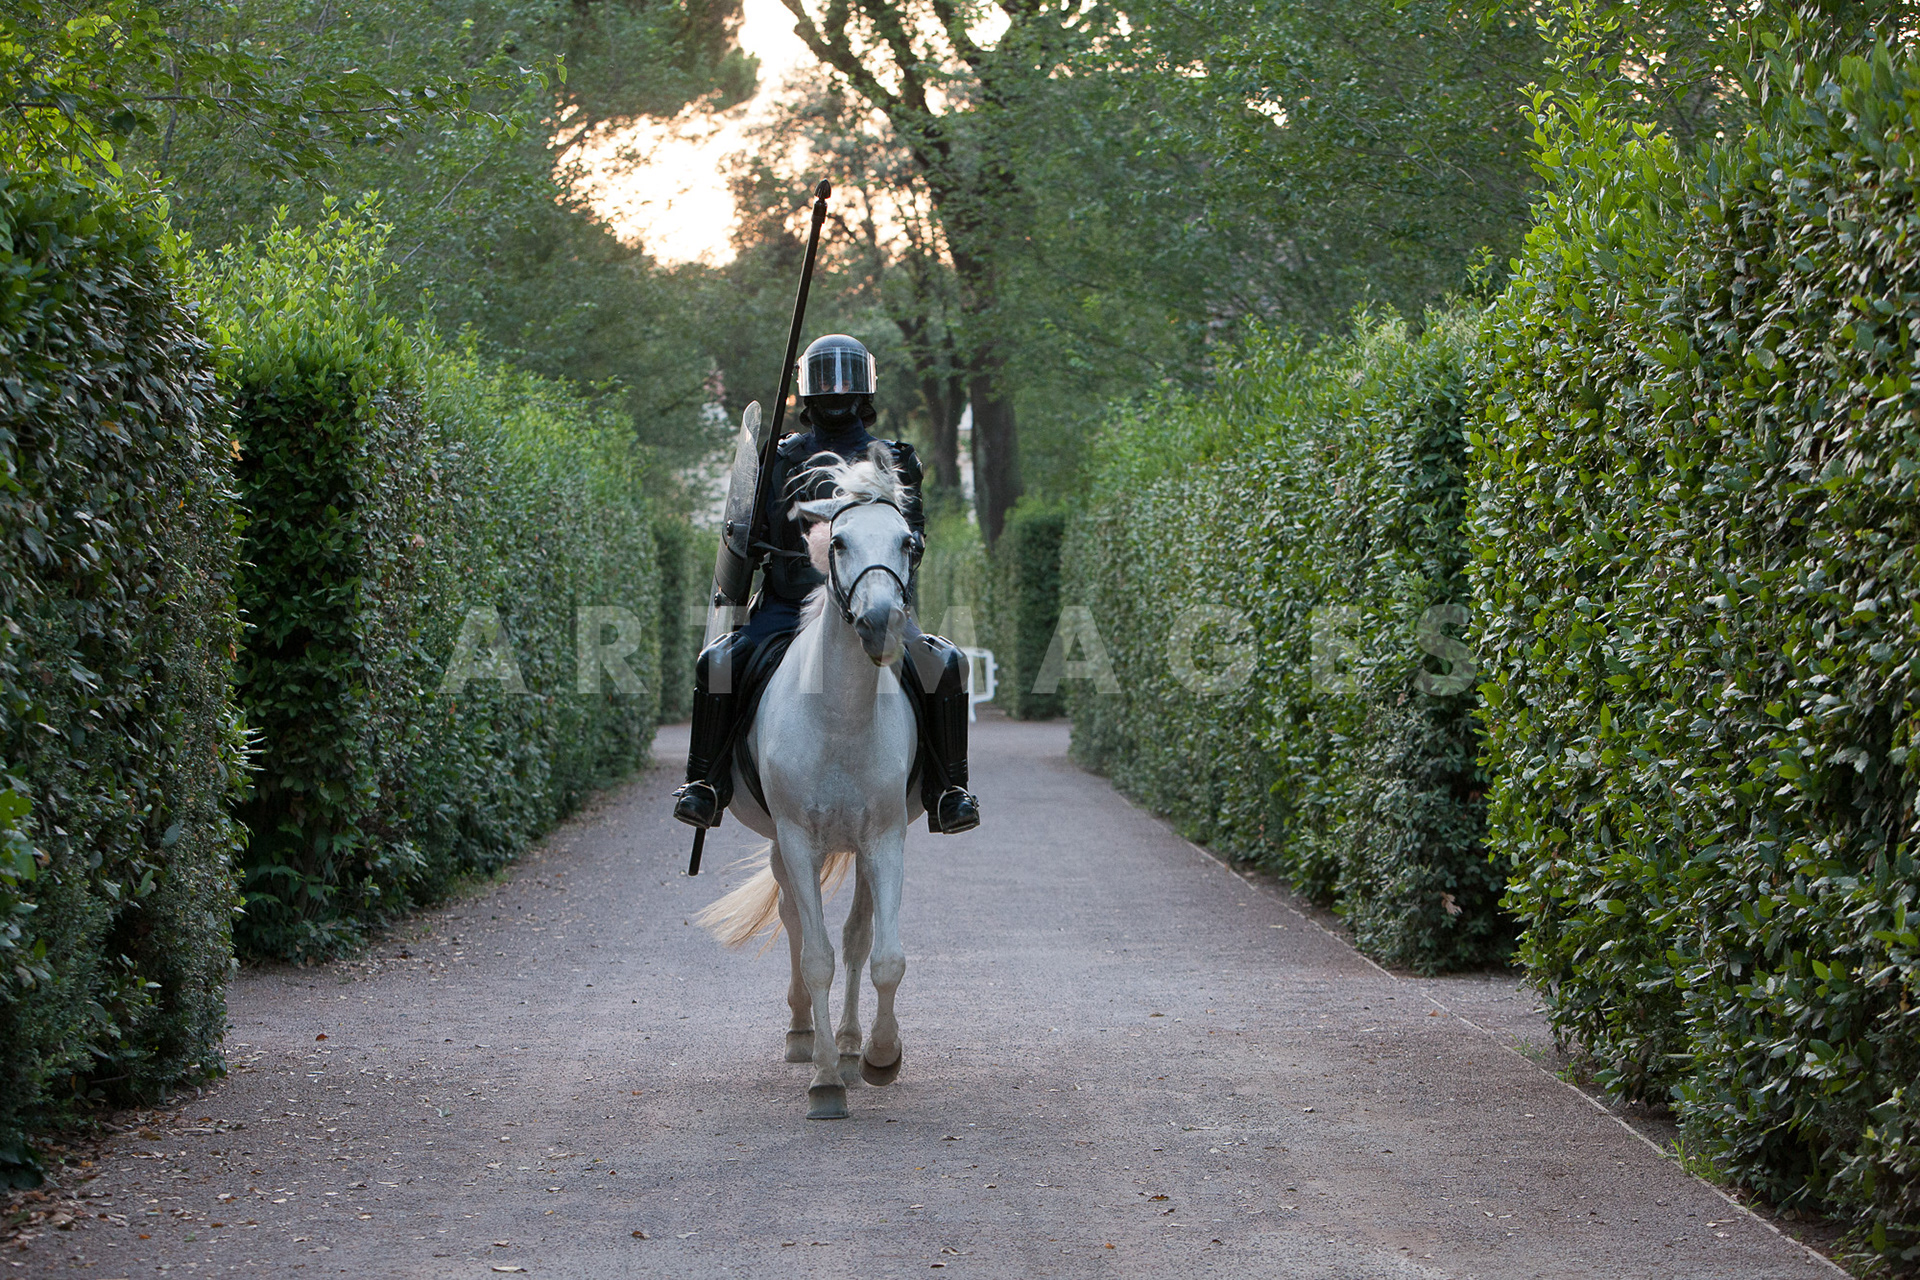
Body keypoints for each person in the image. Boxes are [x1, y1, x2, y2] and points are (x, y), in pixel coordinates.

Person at [672, 333, 982, 835]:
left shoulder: (895, 461)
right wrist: (749, 538)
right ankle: (705, 783)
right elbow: (746, 533)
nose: (836, 392)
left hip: (873, 602)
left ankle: (949, 790)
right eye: (826, 383)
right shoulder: (778, 457)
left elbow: (914, 537)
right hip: (786, 604)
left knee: (944, 664)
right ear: (807, 393)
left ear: (864, 392)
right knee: (719, 663)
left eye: (846, 382)